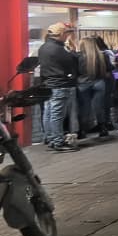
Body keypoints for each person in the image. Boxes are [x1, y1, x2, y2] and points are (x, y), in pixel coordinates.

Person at [40, 23, 79, 151]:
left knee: (48, 113)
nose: (67, 36)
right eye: (66, 33)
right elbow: (72, 63)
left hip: (48, 84)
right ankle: (58, 142)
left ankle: (50, 139)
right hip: (60, 85)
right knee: (57, 115)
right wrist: (72, 50)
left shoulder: (43, 47)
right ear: (62, 34)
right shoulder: (59, 49)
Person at [76, 36, 112, 140]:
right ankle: (103, 128)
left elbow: (75, 71)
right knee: (99, 107)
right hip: (99, 82)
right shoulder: (102, 56)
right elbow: (109, 69)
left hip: (83, 84)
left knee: (84, 108)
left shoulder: (78, 56)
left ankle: (82, 131)